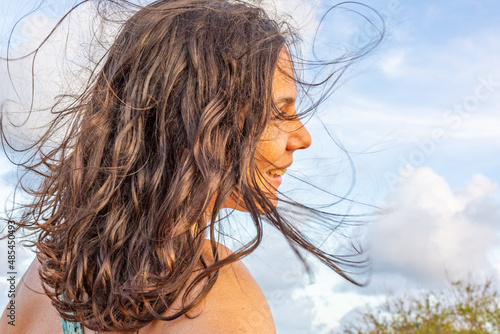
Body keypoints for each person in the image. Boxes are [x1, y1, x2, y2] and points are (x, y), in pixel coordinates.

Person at [0, 0, 376, 333]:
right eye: (280, 112)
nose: (303, 137)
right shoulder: (215, 295)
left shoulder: (51, 279)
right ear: (195, 124)